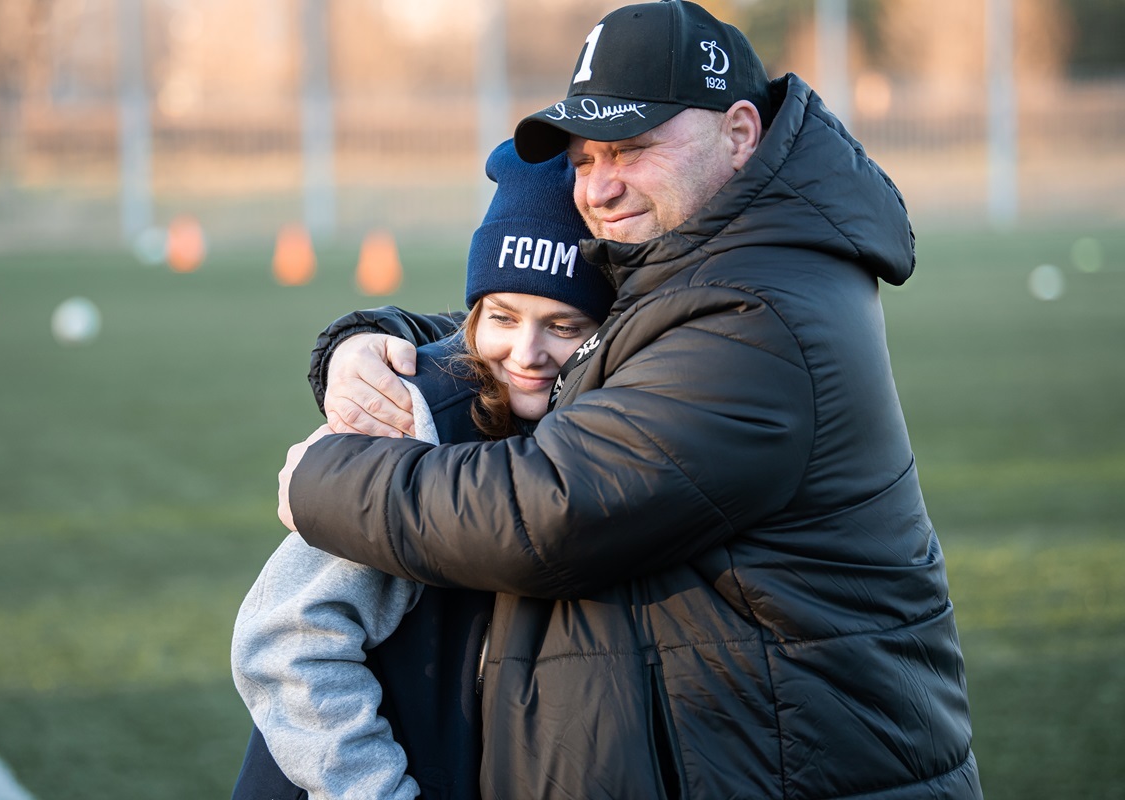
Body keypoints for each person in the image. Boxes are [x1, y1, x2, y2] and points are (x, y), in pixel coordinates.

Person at [280, 2, 983, 798]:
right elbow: (566, 326)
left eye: (633, 149)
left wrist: (324, 478)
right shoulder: (704, 259)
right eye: (584, 160)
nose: (601, 188)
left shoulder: (757, 313)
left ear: (740, 132)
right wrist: (378, 341)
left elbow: (550, 511)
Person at [230, 139, 615, 800]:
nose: (527, 352)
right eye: (502, 316)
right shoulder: (419, 417)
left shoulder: (600, 429)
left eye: (563, 324)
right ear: (473, 316)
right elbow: (285, 639)